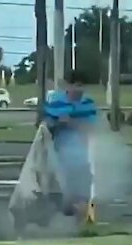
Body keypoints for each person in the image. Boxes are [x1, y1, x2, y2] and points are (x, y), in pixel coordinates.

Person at [43, 69, 97, 222]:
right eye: (75, 86)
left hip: (81, 156)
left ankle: (84, 221)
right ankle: (70, 216)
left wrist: (71, 122)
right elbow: (45, 126)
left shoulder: (88, 104)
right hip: (59, 156)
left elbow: (90, 128)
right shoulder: (55, 102)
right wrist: (57, 123)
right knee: (65, 199)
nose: (78, 90)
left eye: (81, 86)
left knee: (82, 191)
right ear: (68, 86)